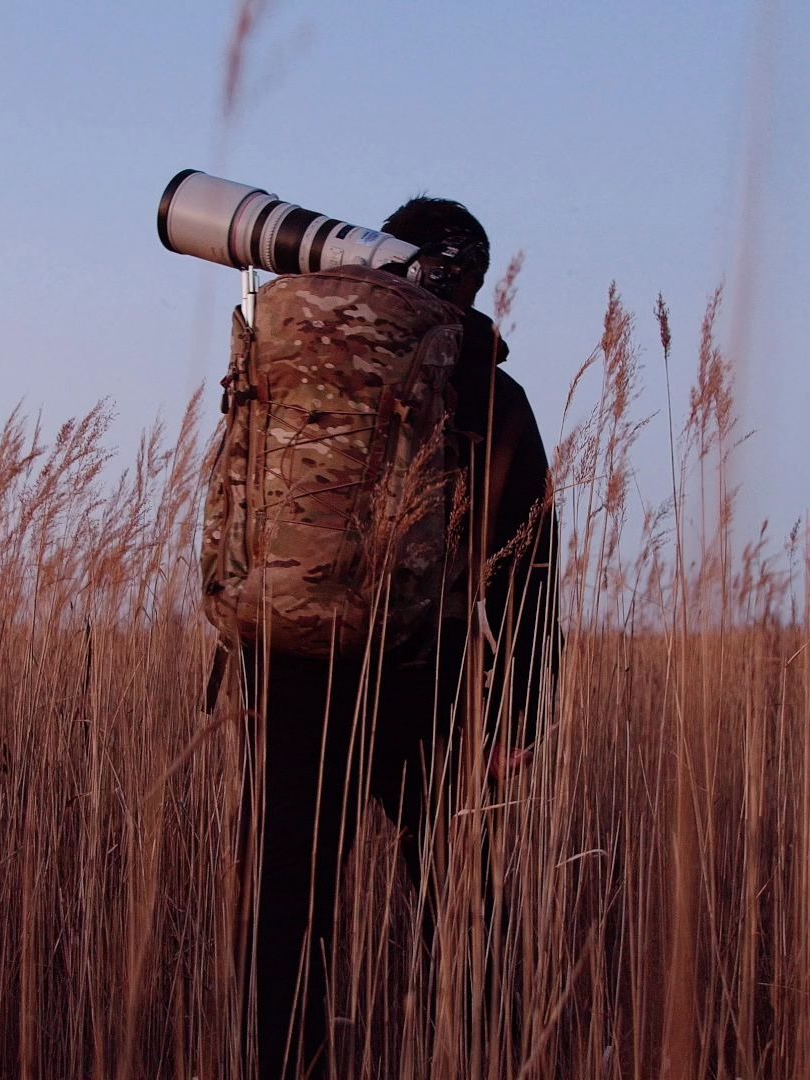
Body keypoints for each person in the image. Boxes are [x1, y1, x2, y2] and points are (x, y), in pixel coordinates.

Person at [242, 196, 558, 1080]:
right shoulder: (489, 391)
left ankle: (283, 1064)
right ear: (473, 284)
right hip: (426, 668)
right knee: (461, 898)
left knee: (288, 902)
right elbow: (528, 560)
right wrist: (518, 713)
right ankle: (480, 1054)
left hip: (292, 659)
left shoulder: (308, 368)